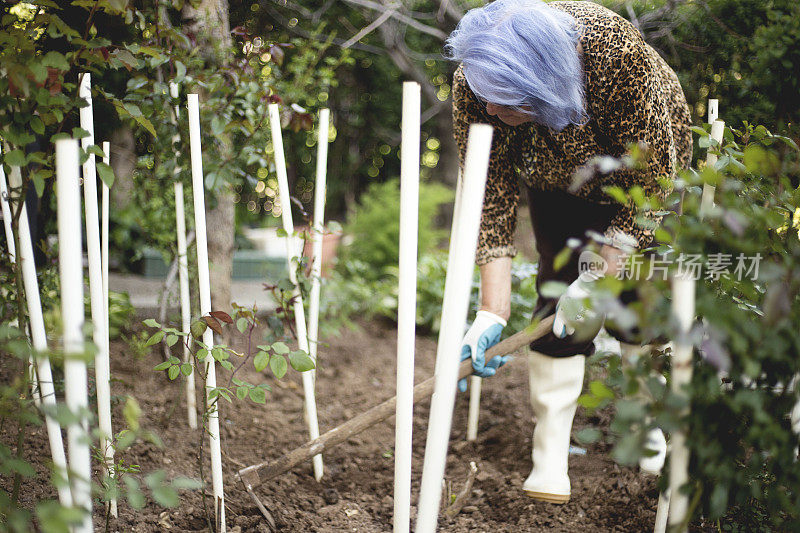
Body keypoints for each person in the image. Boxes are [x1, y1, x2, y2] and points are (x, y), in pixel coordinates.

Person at [448, 0, 692, 504]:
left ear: (541, 84)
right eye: (484, 97)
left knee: (636, 302)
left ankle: (647, 426)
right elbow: (488, 193)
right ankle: (550, 452)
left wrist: (600, 278)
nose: (488, 109)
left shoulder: (615, 55)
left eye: (503, 102)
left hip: (645, 176)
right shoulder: (479, 76)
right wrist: (490, 311)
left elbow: (654, 183)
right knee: (555, 292)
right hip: (556, 179)